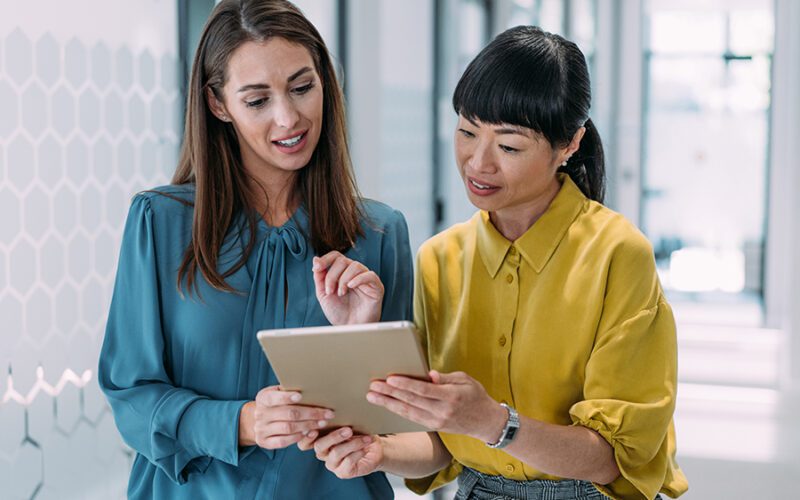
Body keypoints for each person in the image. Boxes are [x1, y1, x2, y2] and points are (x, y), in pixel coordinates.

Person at [307, 26, 689, 500]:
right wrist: (380, 453)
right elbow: (443, 444)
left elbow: (613, 458)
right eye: (467, 132)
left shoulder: (617, 255)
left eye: (509, 146)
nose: (477, 163)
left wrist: (494, 423)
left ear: (569, 144)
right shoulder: (440, 260)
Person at [97, 1, 412, 498]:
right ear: (218, 104)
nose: (289, 118)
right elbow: (131, 397)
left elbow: (400, 430)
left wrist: (361, 339)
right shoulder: (160, 222)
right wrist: (241, 422)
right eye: (257, 100)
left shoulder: (379, 233)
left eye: (303, 87)